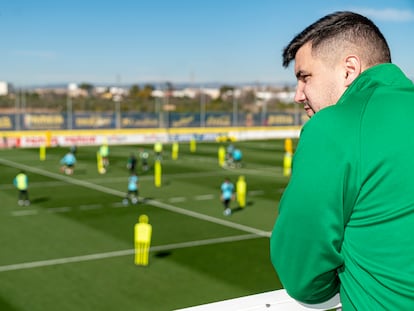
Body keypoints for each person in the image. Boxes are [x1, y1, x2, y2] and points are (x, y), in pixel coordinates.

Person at [270, 11, 414, 310]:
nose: (298, 95)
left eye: (304, 77)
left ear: (349, 70)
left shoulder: (332, 126)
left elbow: (301, 273)